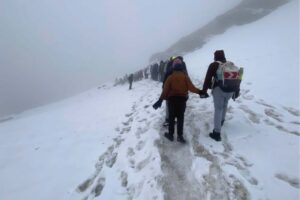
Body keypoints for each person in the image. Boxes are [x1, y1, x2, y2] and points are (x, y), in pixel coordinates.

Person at [153, 58, 201, 143]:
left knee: (171, 117)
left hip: (172, 100)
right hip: (182, 100)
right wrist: (200, 92)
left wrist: (160, 100)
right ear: (181, 66)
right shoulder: (185, 76)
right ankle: (180, 136)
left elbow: (165, 90)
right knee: (180, 118)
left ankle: (171, 135)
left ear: (173, 67)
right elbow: (192, 88)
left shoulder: (170, 77)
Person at [200, 50, 240, 141]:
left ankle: (216, 133)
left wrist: (204, 91)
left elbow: (208, 79)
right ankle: (221, 121)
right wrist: (237, 91)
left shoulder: (213, 65)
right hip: (231, 89)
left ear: (215, 56)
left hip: (219, 89)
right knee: (225, 104)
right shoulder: (230, 64)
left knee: (218, 108)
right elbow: (238, 77)